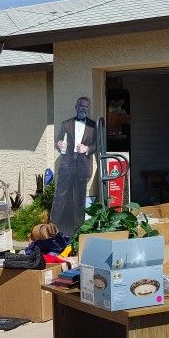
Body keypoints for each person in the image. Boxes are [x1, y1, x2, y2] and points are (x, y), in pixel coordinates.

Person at [52, 96, 98, 237]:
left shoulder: (93, 125)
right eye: (81, 105)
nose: (83, 108)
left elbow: (97, 145)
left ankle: (79, 231)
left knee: (79, 199)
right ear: (76, 106)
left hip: (82, 166)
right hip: (66, 165)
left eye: (86, 106)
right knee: (59, 197)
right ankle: (53, 228)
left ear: (88, 108)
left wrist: (87, 149)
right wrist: (59, 144)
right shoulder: (66, 124)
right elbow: (58, 140)